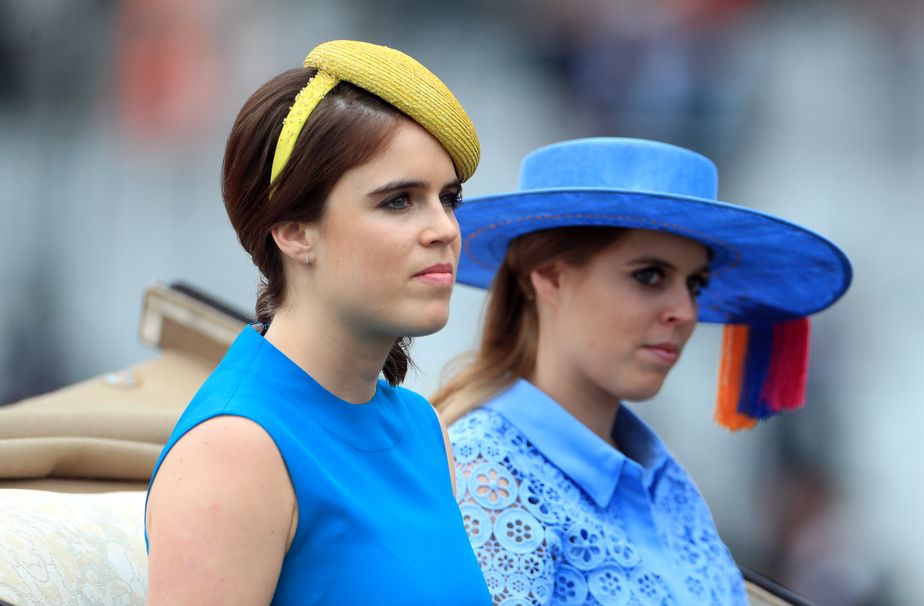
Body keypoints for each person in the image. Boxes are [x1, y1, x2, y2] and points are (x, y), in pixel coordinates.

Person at [432, 137, 852, 605]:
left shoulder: (664, 480)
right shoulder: (486, 475)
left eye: (695, 284)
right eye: (649, 275)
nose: (685, 312)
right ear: (550, 276)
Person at [144, 40, 490, 605]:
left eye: (447, 199)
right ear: (293, 232)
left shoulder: (423, 428)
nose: (445, 229)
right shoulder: (234, 450)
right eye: (399, 201)